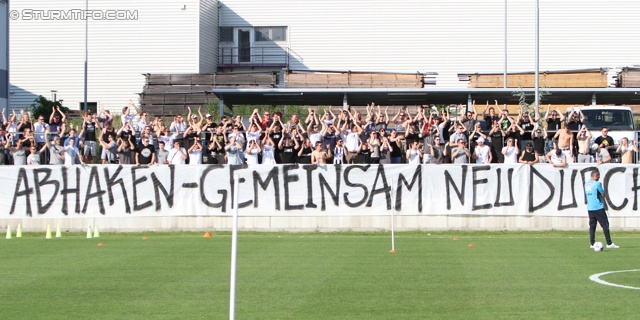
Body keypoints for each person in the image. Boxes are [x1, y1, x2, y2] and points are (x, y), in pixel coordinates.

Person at [585, 169, 619, 249]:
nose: (599, 177)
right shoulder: (597, 184)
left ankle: (592, 243)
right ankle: (609, 243)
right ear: (596, 176)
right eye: (599, 176)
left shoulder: (586, 184)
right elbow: (603, 194)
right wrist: (601, 195)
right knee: (605, 225)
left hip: (590, 208)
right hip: (598, 207)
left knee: (592, 226)